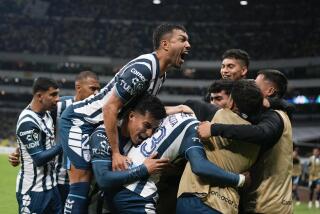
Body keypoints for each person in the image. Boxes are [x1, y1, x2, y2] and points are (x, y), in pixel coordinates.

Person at [58, 24, 190, 213]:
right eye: (183, 39)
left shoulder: (161, 75)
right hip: (80, 121)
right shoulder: (144, 68)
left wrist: (175, 109)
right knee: (82, 182)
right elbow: (110, 107)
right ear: (165, 44)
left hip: (101, 124)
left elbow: (141, 109)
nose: (188, 45)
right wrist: (115, 152)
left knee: (97, 184)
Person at [197, 69, 293, 213]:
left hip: (268, 203)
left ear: (270, 90)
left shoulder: (275, 115)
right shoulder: (274, 113)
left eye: (256, 84)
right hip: (268, 201)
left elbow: (263, 133)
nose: (252, 88)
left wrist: (214, 129)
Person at [8, 71, 101, 206]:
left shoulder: (101, 111)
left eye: (99, 89)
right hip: (59, 180)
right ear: (78, 87)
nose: (97, 93)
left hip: (87, 180)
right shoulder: (59, 106)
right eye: (93, 88)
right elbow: (35, 126)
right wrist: (19, 151)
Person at [177, 80, 263, 214]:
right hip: (229, 206)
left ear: (232, 101)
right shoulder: (258, 140)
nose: (213, 103)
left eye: (218, 99)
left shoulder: (221, 116)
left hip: (199, 198)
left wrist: (182, 108)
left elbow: (199, 166)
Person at [15, 77, 62, 213]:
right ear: (39, 96)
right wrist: (63, 145)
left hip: (51, 187)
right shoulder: (27, 121)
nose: (57, 99)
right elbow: (39, 158)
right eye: (53, 95)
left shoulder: (46, 114)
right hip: (33, 191)